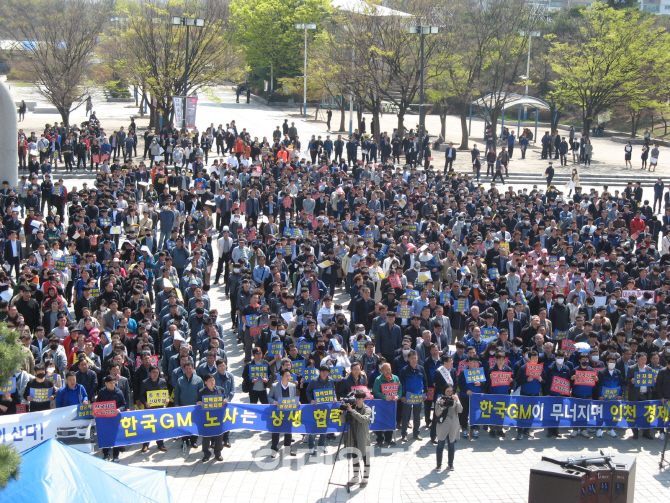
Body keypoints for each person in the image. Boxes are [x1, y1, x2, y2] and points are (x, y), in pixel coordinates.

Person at [343, 389, 372, 487]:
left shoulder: (367, 409)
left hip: (363, 437)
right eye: (356, 398)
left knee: (365, 458)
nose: (357, 400)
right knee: (355, 457)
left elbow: (363, 419)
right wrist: (342, 412)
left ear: (364, 399)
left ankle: (366, 477)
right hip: (353, 436)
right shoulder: (352, 407)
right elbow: (343, 420)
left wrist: (352, 411)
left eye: (359, 398)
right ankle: (355, 476)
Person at [268, 368, 298, 458]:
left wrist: (297, 402)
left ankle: (288, 448)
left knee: (288, 431)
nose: (289, 377)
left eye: (289, 375)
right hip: (278, 412)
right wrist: (274, 402)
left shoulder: (292, 386)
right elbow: (269, 397)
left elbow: (293, 397)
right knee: (276, 431)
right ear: (281, 377)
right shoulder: (274, 386)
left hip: (288, 412)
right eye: (287, 376)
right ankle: (274, 449)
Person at [197, 374, 226, 462]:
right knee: (206, 436)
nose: (212, 382)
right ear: (205, 382)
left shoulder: (220, 390)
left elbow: (225, 399)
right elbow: (198, 402)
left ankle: (218, 453)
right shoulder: (202, 392)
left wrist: (225, 401)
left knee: (219, 435)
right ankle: (206, 453)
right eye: (210, 381)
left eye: (213, 380)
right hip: (207, 417)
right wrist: (200, 403)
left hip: (218, 416)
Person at [399, 350, 427, 442]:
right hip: (408, 396)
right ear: (409, 359)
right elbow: (401, 384)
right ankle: (404, 434)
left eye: (415, 358)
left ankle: (416, 433)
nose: (414, 360)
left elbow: (425, 382)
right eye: (412, 358)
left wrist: (425, 393)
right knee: (405, 416)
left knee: (417, 416)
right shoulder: (405, 370)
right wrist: (402, 396)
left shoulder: (421, 369)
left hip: (418, 396)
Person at [98, 375, 127, 462]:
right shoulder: (101, 392)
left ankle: (116, 455)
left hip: (115, 418)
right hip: (105, 418)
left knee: (116, 436)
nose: (112, 384)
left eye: (114, 383)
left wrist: (119, 409)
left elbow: (124, 404)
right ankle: (106, 454)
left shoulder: (118, 392)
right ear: (106, 383)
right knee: (105, 436)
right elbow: (97, 404)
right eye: (110, 383)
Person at [434, 384, 462, 471]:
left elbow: (460, 410)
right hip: (443, 425)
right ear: (444, 391)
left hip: (453, 424)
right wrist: (442, 406)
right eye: (447, 391)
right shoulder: (439, 400)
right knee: (440, 445)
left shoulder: (455, 399)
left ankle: (451, 464)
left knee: (451, 445)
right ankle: (439, 464)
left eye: (451, 391)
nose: (449, 393)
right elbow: (437, 413)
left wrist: (457, 401)